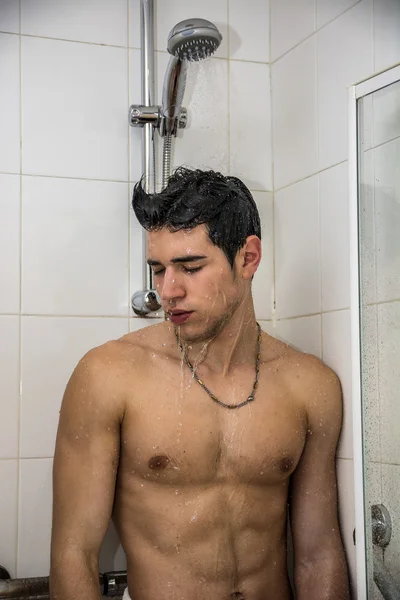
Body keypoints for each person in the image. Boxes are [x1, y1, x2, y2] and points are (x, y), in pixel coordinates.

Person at [50, 167, 350, 600]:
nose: (167, 291)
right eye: (158, 269)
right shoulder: (108, 376)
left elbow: (318, 554)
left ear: (248, 258)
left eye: (189, 267)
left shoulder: (310, 385)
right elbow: (73, 554)